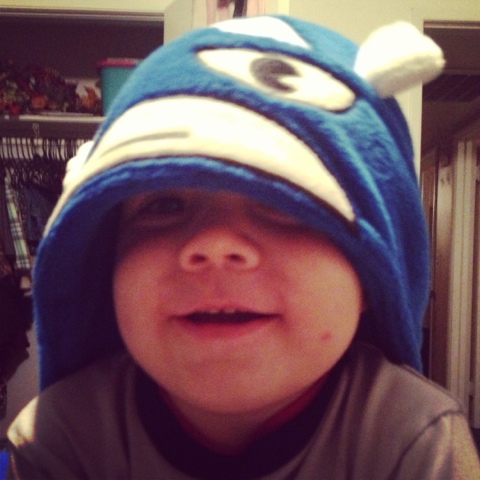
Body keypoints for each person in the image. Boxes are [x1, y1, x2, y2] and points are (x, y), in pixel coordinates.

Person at [5, 15, 480, 479]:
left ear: (370, 278)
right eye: (165, 204)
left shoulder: (414, 440)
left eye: (287, 204)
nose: (215, 243)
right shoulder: (61, 436)